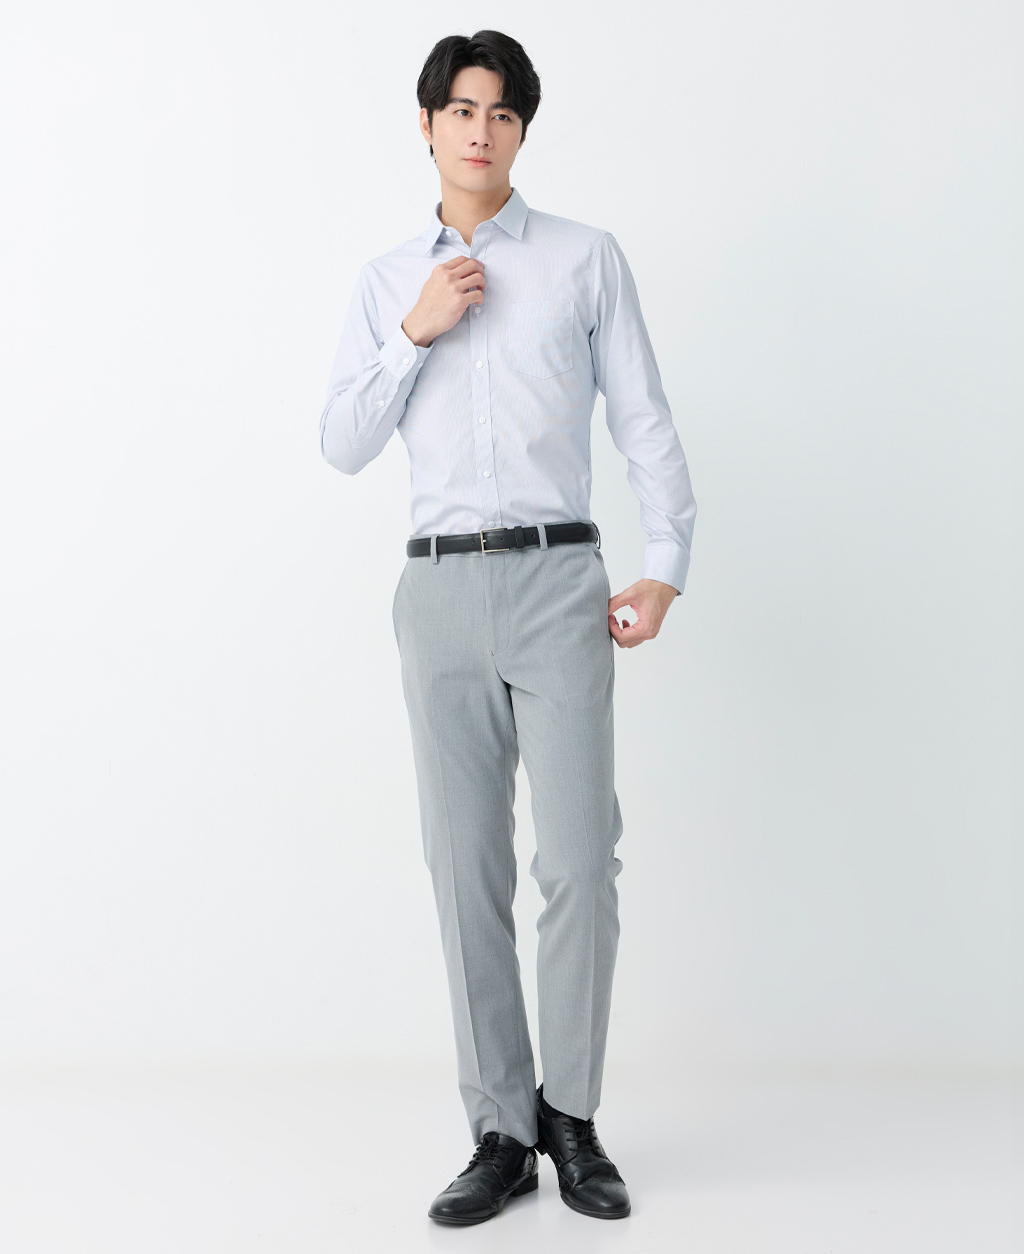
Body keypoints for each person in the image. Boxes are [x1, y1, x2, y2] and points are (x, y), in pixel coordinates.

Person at [319, 29, 696, 1226]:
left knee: (580, 861)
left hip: (558, 580)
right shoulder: (388, 281)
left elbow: (642, 416)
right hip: (437, 594)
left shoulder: (584, 259)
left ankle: (568, 1115)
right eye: (460, 110)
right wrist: (415, 330)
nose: (479, 131)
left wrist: (665, 565)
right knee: (463, 869)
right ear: (426, 125)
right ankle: (498, 1130)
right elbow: (341, 443)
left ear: (522, 130)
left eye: (501, 113)